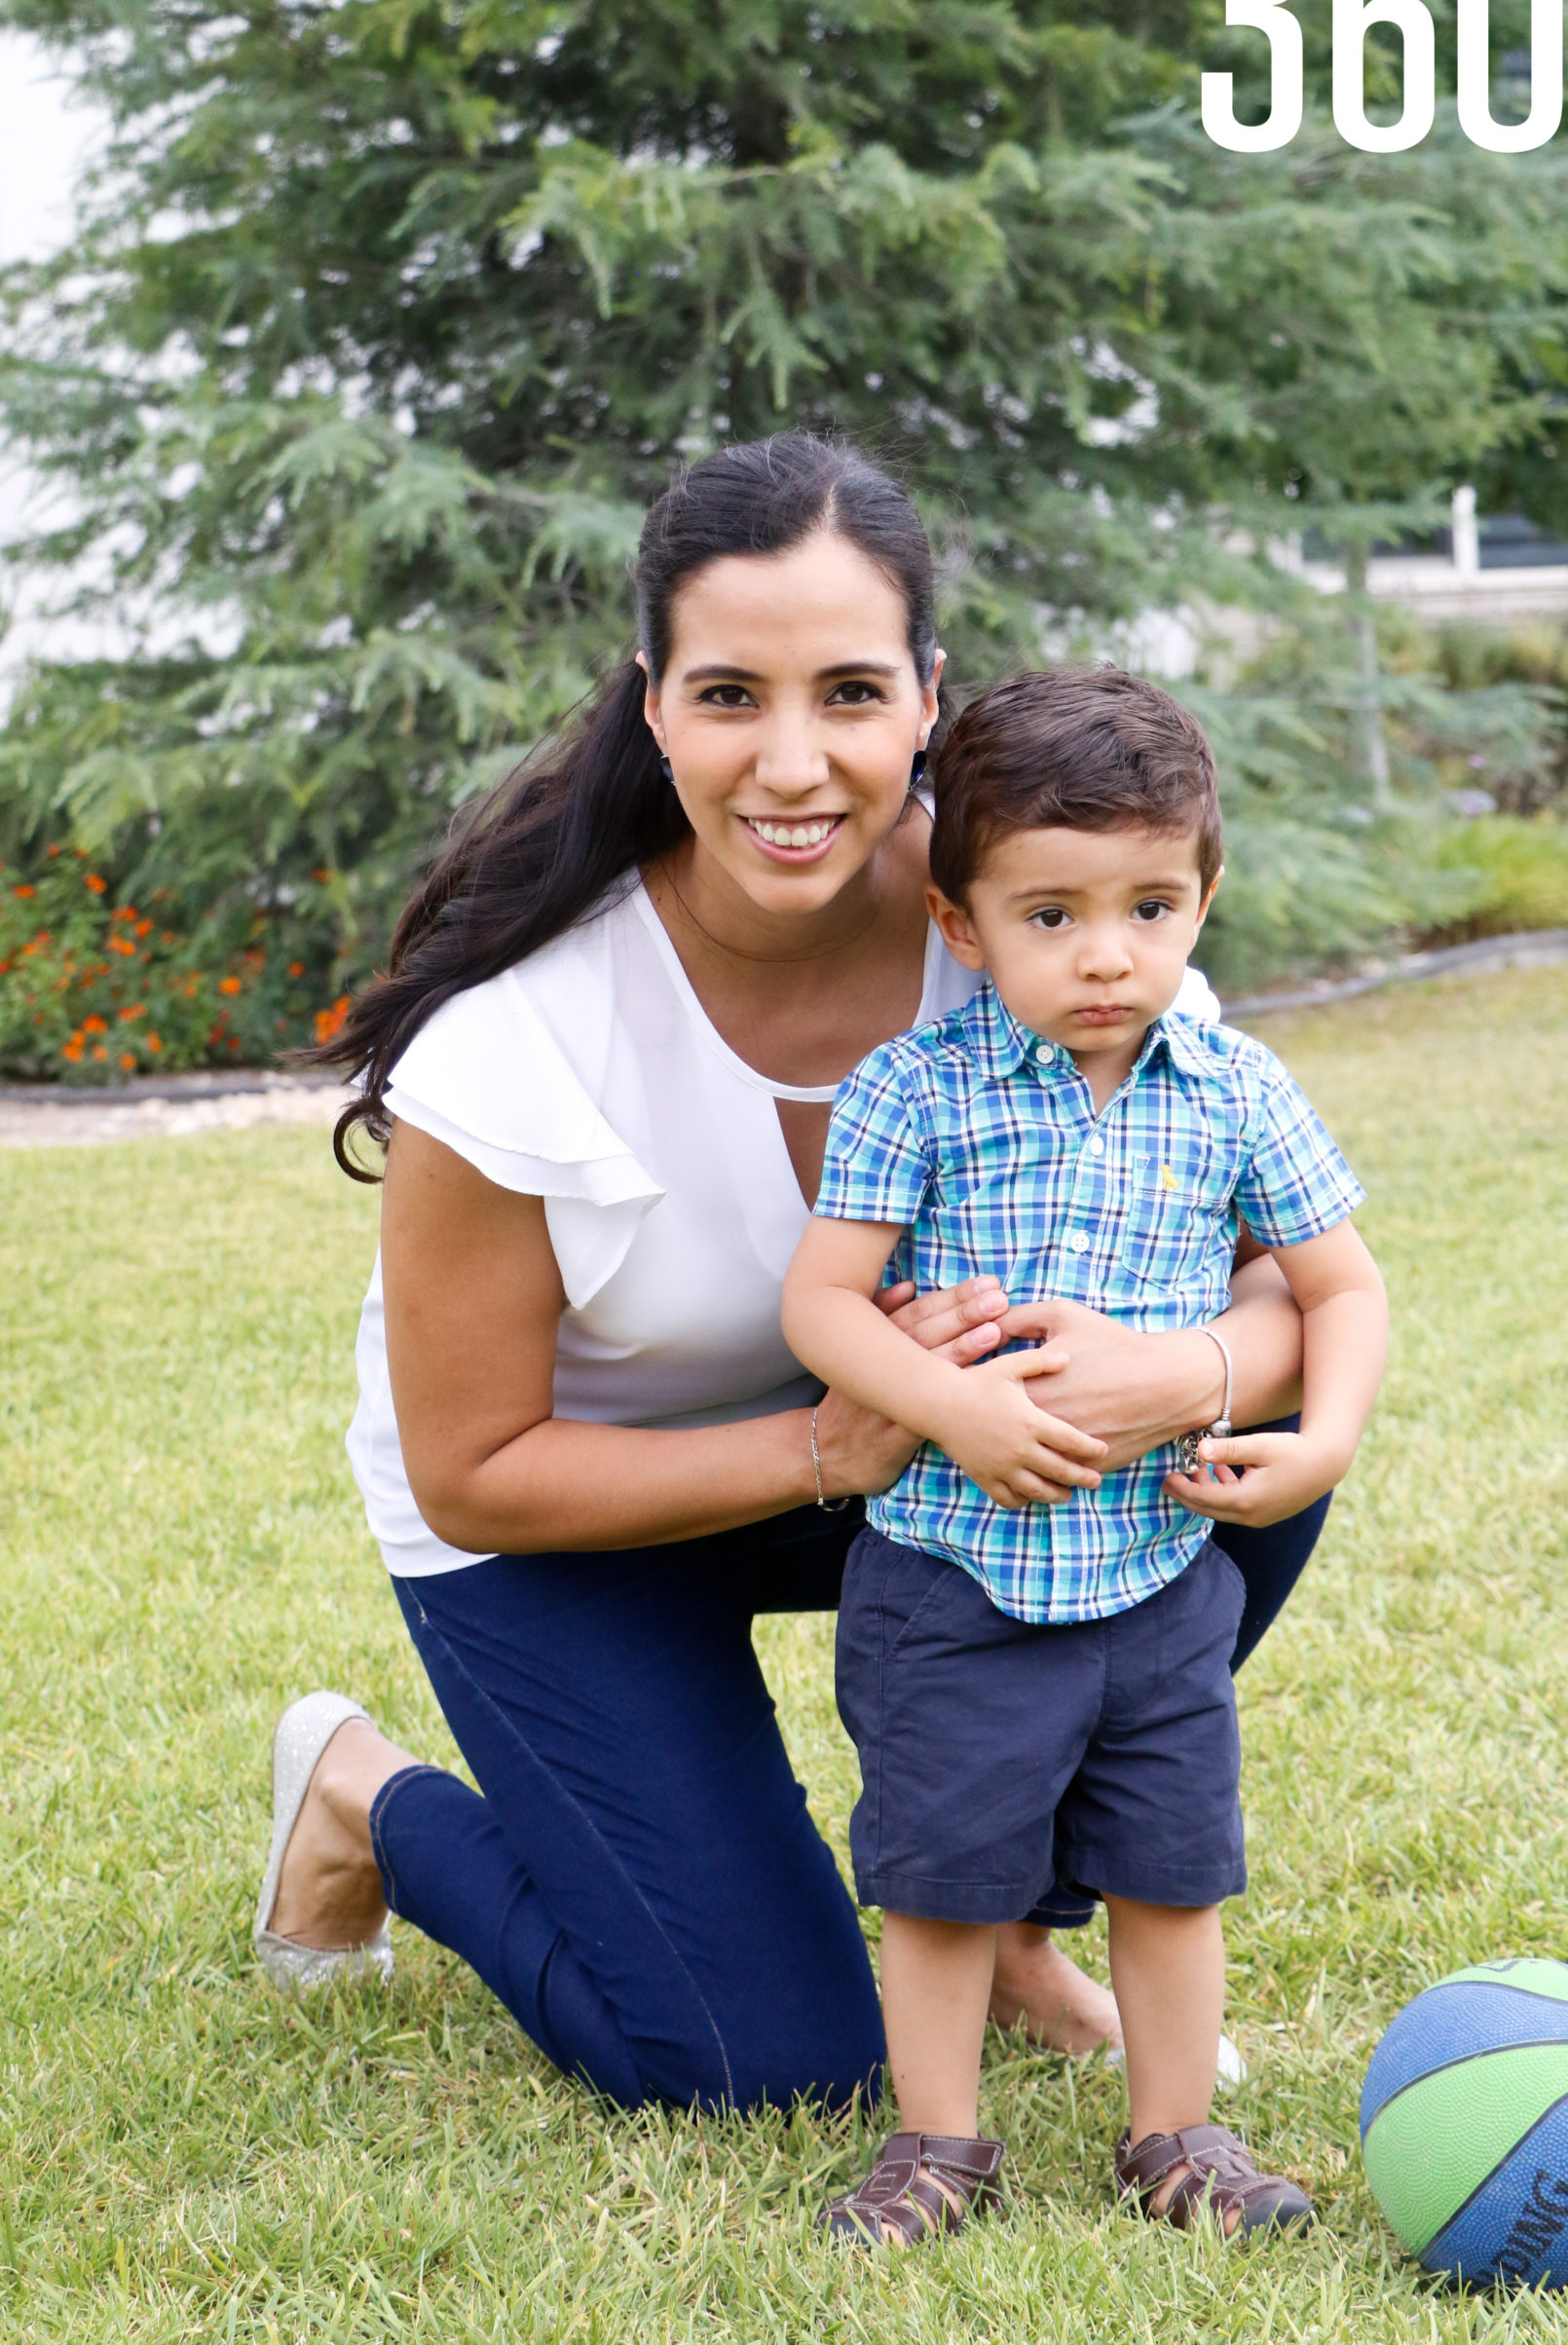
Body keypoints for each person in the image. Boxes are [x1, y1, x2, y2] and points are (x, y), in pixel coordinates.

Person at [251, 433, 1331, 2119]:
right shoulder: (519, 1040)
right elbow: (476, 1473)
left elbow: (1289, 1296)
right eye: (731, 694)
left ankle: (1005, 1915)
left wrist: (1183, 1376)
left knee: (1235, 1477)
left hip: (932, 1470)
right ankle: (363, 1797)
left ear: (925, 699)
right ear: (654, 705)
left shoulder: (1034, 913)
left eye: (846, 691)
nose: (794, 762)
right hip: (572, 1525)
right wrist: (840, 1442)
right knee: (765, 2064)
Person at [781, 665, 1389, 2242]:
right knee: (942, 1878)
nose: (1107, 955)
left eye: (1150, 908)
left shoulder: (1236, 1090)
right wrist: (953, 1410)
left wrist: (1318, 1442)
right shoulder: (915, 1089)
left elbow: (1341, 1286)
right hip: (952, 1578)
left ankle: (1176, 2138)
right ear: (961, 925)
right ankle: (935, 2148)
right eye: (1050, 915)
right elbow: (822, 1302)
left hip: (1156, 1577)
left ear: (1203, 901)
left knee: (1170, 1871)